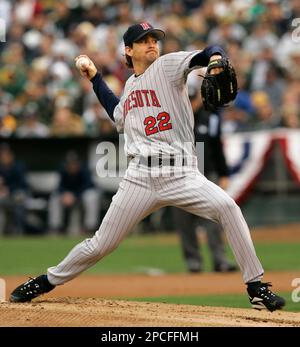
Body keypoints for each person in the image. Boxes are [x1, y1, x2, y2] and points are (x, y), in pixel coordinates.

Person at [10, 22, 285, 312]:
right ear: (128, 51)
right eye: (143, 41)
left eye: (154, 38)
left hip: (181, 173)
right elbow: (115, 110)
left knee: (228, 208)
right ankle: (45, 281)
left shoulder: (168, 66)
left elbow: (205, 54)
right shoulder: (129, 87)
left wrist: (216, 58)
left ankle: (255, 287)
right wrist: (94, 78)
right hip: (139, 177)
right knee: (101, 244)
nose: (152, 43)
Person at [173, 85, 237, 273]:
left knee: (214, 218)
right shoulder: (175, 118)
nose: (190, 103)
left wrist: (224, 173)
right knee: (183, 220)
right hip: (180, 174)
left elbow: (217, 147)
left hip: (206, 174)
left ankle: (220, 259)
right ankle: (193, 261)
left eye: (193, 99)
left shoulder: (211, 118)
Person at [48, 151, 100, 235]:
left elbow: (87, 186)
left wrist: (74, 196)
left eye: (74, 163)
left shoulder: (84, 170)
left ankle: (90, 227)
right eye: (70, 163)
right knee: (55, 198)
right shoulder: (63, 170)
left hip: (82, 194)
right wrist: (65, 194)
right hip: (68, 196)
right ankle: (55, 227)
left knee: (90, 196)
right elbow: (59, 187)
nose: (72, 165)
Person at [0, 143, 28, 235]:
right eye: (2, 155)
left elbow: (22, 184)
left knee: (19, 198)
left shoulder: (18, 166)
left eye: (6, 155)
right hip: (4, 197)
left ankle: (19, 230)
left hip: (18, 194)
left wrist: (8, 189)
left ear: (11, 155)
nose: (4, 157)